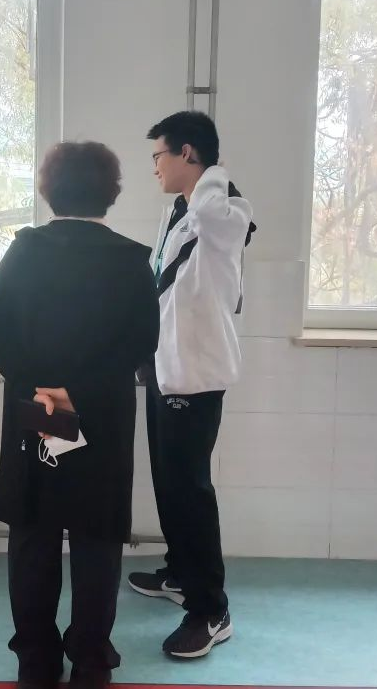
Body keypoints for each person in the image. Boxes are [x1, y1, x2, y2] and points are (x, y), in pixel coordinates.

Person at [0, 142, 160, 689]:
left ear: (49, 191)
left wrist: (44, 390)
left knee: (33, 531)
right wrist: (83, 391)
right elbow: (143, 340)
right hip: (103, 415)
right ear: (111, 193)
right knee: (96, 535)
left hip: (37, 409)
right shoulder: (131, 260)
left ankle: (35, 659)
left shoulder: (24, 252)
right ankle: (90, 660)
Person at [127, 111, 255, 659]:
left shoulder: (226, 210)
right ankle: (181, 572)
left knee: (190, 492)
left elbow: (210, 211)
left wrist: (210, 173)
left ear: (187, 153)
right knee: (168, 483)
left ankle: (211, 610)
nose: (153, 167)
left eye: (159, 155)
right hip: (164, 368)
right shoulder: (179, 211)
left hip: (195, 375)